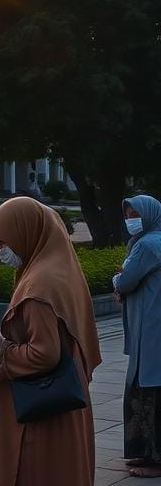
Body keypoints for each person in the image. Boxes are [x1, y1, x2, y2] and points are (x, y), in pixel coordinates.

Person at [0, 196, 101, 486]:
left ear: (26, 232)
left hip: (40, 417)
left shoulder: (38, 286)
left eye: (4, 239)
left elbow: (44, 354)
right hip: (63, 408)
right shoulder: (59, 270)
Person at [114, 194, 161, 478]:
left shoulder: (147, 245)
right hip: (152, 326)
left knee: (148, 393)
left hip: (150, 329)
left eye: (135, 215)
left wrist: (117, 280)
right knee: (148, 390)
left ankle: (154, 459)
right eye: (128, 215)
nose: (130, 221)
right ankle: (145, 454)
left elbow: (126, 278)